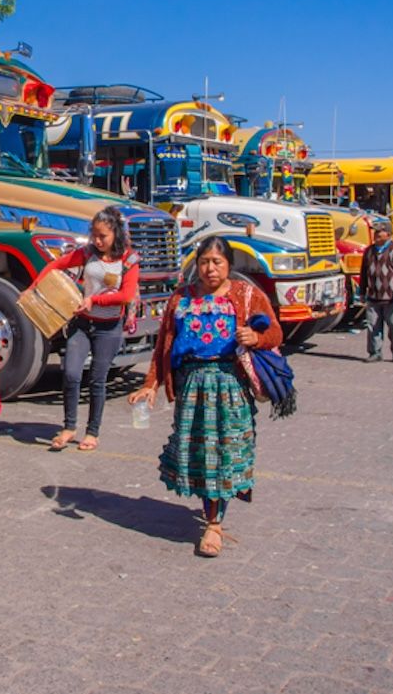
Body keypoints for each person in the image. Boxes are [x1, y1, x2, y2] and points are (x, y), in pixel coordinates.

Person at [127, 236, 282, 558]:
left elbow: (276, 333)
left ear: (229, 265)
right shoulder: (180, 299)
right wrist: (150, 384)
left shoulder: (246, 294)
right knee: (202, 458)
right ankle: (213, 509)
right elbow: (163, 348)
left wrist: (256, 336)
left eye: (217, 262)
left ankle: (214, 524)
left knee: (223, 456)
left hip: (230, 387)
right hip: (191, 389)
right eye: (204, 262)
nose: (210, 269)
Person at [30, 206, 139, 452]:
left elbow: (126, 295)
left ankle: (92, 432)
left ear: (116, 235)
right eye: (94, 235)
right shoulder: (87, 253)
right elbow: (56, 265)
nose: (98, 241)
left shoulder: (129, 260)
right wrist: (34, 287)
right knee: (70, 373)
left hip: (109, 328)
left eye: (103, 236)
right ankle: (69, 427)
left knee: (98, 380)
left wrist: (94, 300)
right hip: (82, 323)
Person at [358, 217, 393, 363]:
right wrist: (362, 292)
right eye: (376, 234)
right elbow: (364, 272)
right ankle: (375, 352)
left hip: (392, 298)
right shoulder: (369, 251)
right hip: (373, 297)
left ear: (388, 235)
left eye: (380, 234)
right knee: (372, 325)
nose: (376, 236)